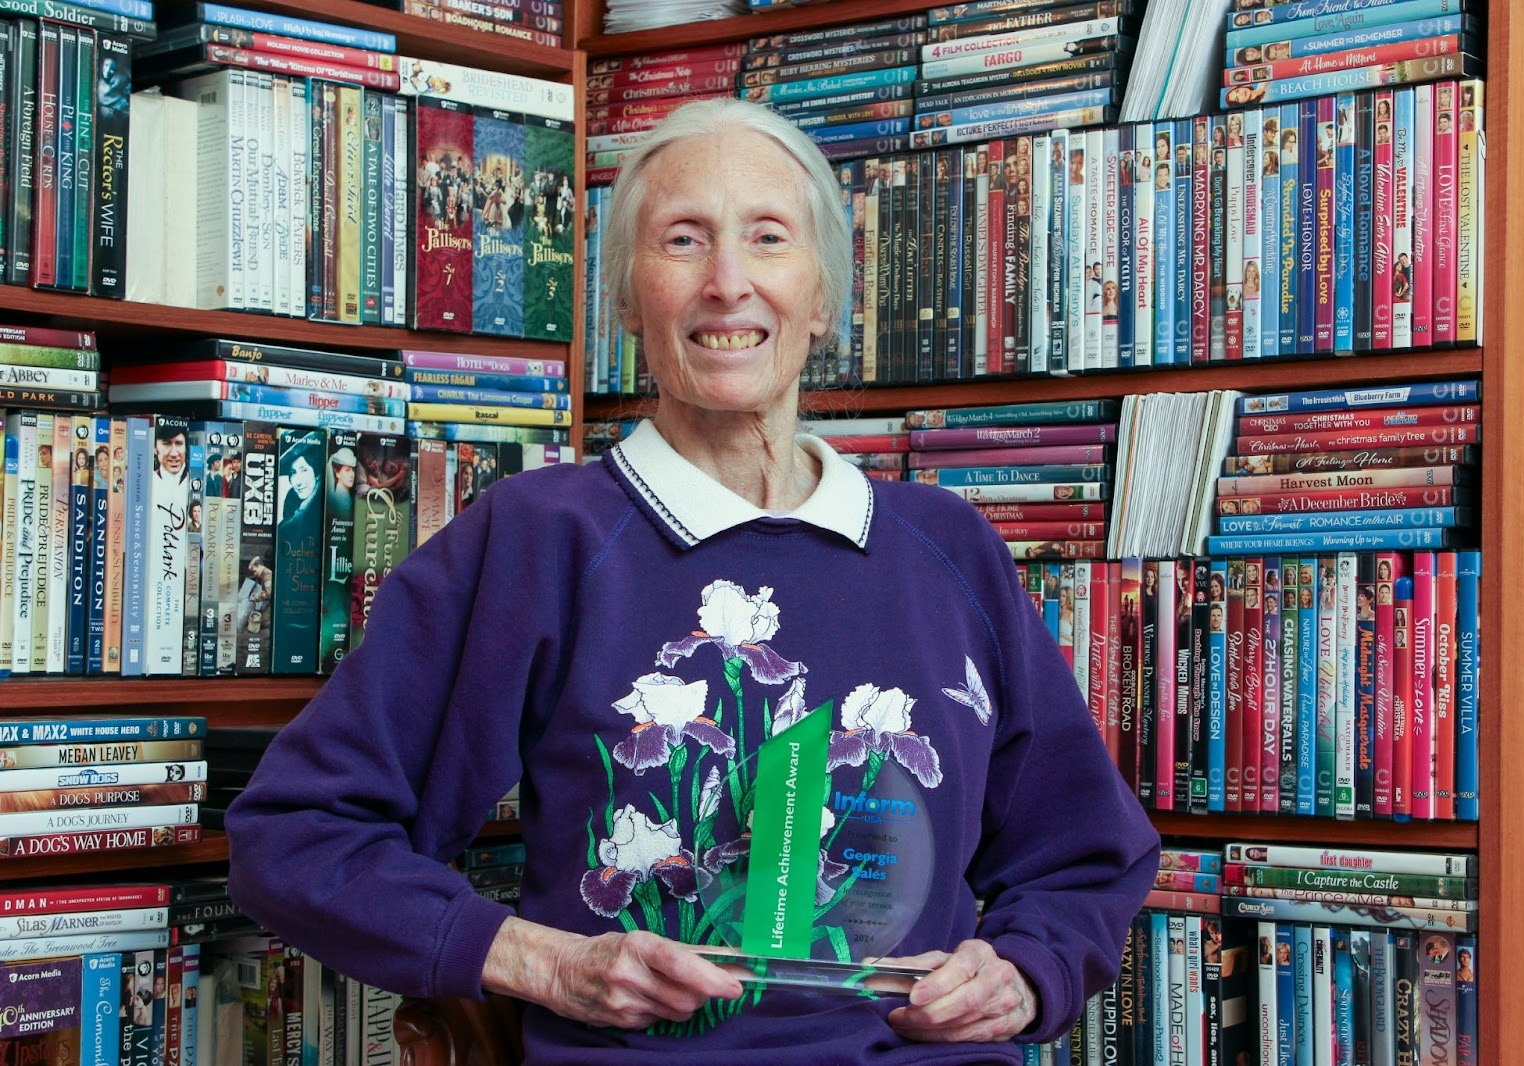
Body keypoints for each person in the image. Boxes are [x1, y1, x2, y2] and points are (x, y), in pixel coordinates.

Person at [226, 98, 1159, 1064]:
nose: (727, 283)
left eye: (767, 237)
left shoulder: (948, 547)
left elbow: (1086, 853)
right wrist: (539, 963)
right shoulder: (540, 540)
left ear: (824, 296)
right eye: (682, 240)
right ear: (629, 299)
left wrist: (1022, 970)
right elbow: (294, 835)